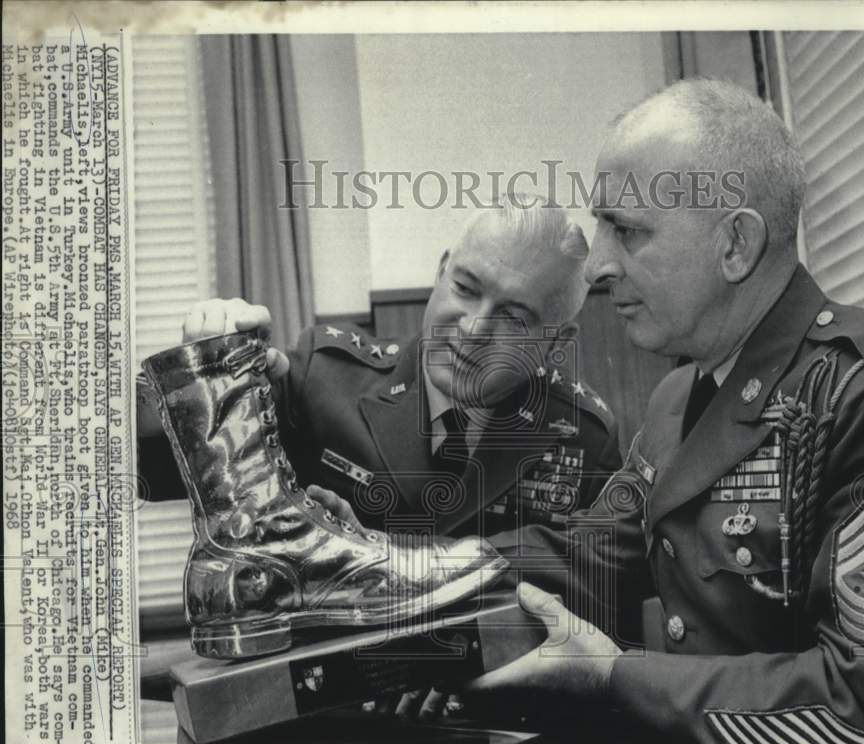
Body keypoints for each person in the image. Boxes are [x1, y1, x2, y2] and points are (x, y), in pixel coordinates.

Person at [461, 78, 864, 744]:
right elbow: (589, 555)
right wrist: (386, 561)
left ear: (735, 246)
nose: (597, 265)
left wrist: (618, 679)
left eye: (626, 231)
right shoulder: (677, 399)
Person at [136, 194, 622, 543]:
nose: (474, 329)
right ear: (440, 272)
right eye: (466, 289)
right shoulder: (322, 380)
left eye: (514, 318)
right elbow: (150, 466)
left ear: (556, 341)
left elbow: (590, 595)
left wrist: (367, 548)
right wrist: (201, 377)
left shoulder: (580, 434)